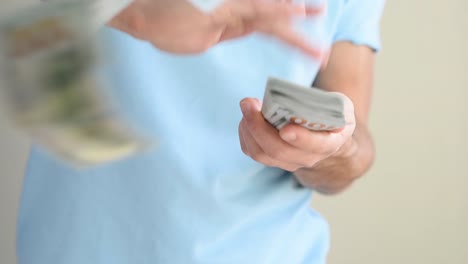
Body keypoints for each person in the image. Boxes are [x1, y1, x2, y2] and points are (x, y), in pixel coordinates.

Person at [16, 0, 385, 263]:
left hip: (267, 250)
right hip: (79, 246)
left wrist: (327, 150)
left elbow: (355, 148)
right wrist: (134, 12)